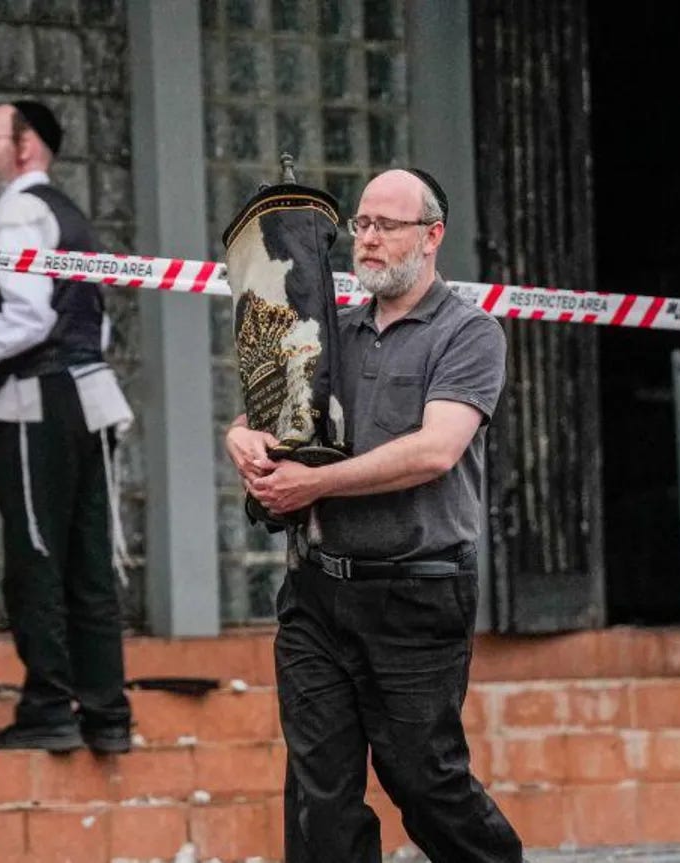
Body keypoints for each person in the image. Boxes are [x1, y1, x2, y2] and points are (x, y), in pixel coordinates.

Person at [223, 169, 523, 862]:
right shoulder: (335, 331)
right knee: (319, 800)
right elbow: (270, 411)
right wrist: (239, 438)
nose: (367, 238)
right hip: (317, 593)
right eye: (360, 224)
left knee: (426, 784)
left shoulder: (469, 333)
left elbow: (435, 451)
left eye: (387, 225)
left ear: (432, 235)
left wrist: (315, 483)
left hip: (416, 592)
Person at [0, 101, 133, 755]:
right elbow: (92, 323)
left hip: (37, 400)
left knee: (36, 558)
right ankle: (106, 713)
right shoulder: (70, 215)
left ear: (26, 146)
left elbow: (31, 316)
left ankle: (48, 707)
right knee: (89, 561)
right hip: (90, 396)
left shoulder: (17, 209)